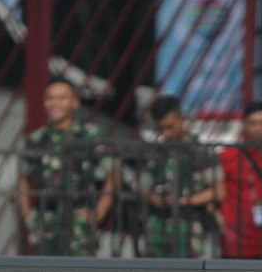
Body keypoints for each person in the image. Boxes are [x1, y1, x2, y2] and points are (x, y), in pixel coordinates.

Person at [19, 78, 116, 256]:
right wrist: (28, 215)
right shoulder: (37, 139)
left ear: (75, 102)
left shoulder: (90, 135)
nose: (55, 103)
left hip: (80, 218)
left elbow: (113, 174)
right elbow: (24, 178)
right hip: (45, 219)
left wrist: (100, 211)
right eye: (50, 98)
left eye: (62, 98)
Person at [140, 94, 225, 258]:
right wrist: (152, 197)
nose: (165, 133)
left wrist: (183, 201)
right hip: (157, 225)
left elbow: (219, 191)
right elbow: (144, 185)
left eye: (170, 127)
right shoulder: (156, 152)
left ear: (181, 120)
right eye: (160, 129)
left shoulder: (200, 152)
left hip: (189, 225)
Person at [218, 100, 262, 259]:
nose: (258, 128)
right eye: (253, 123)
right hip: (234, 239)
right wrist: (221, 225)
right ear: (244, 124)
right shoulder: (227, 154)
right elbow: (216, 193)